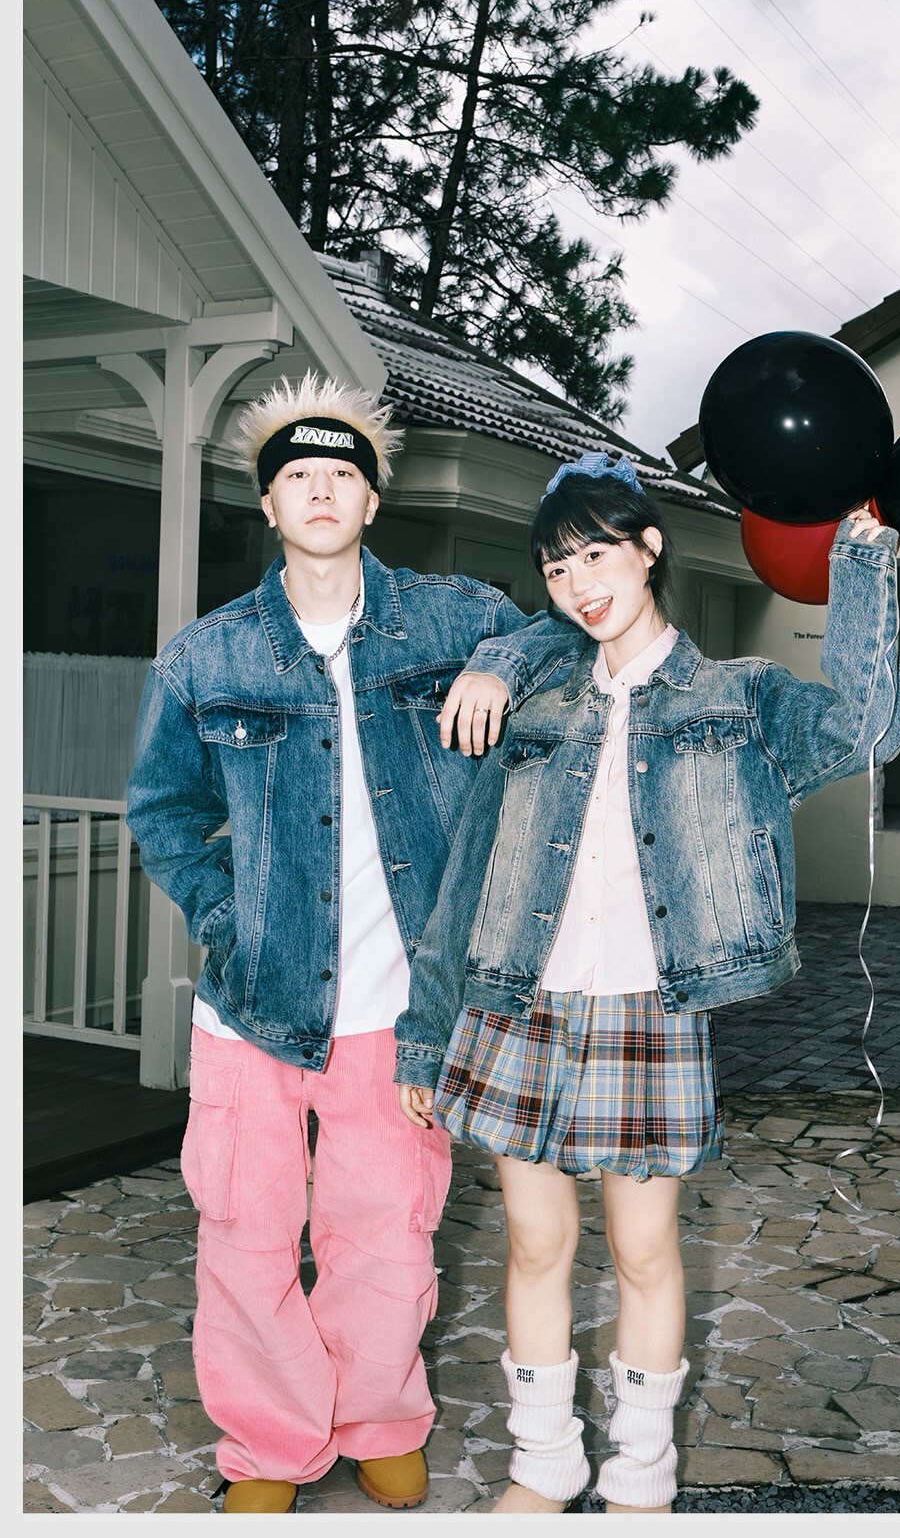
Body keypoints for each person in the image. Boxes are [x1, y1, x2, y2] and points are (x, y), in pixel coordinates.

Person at [393, 452, 900, 1515]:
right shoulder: (534, 707)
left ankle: (641, 1474)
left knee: (642, 1251)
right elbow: (465, 879)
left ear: (648, 548)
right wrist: (424, 1033)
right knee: (535, 1242)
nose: (578, 583)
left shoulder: (737, 697)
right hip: (516, 1004)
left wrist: (860, 565)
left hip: (645, 1012)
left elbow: (871, 727)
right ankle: (543, 1464)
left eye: (594, 555)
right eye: (555, 567)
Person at [124, 373, 577, 1514]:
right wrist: (228, 919)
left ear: (372, 501)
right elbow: (163, 813)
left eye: (341, 474)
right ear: (268, 504)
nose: (320, 491)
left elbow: (572, 637)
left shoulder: (456, 617)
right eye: (298, 476)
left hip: (401, 1007)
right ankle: (271, 1442)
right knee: (245, 1231)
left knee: (387, 1231)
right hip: (252, 1004)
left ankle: (378, 1416)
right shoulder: (204, 656)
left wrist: (499, 664)